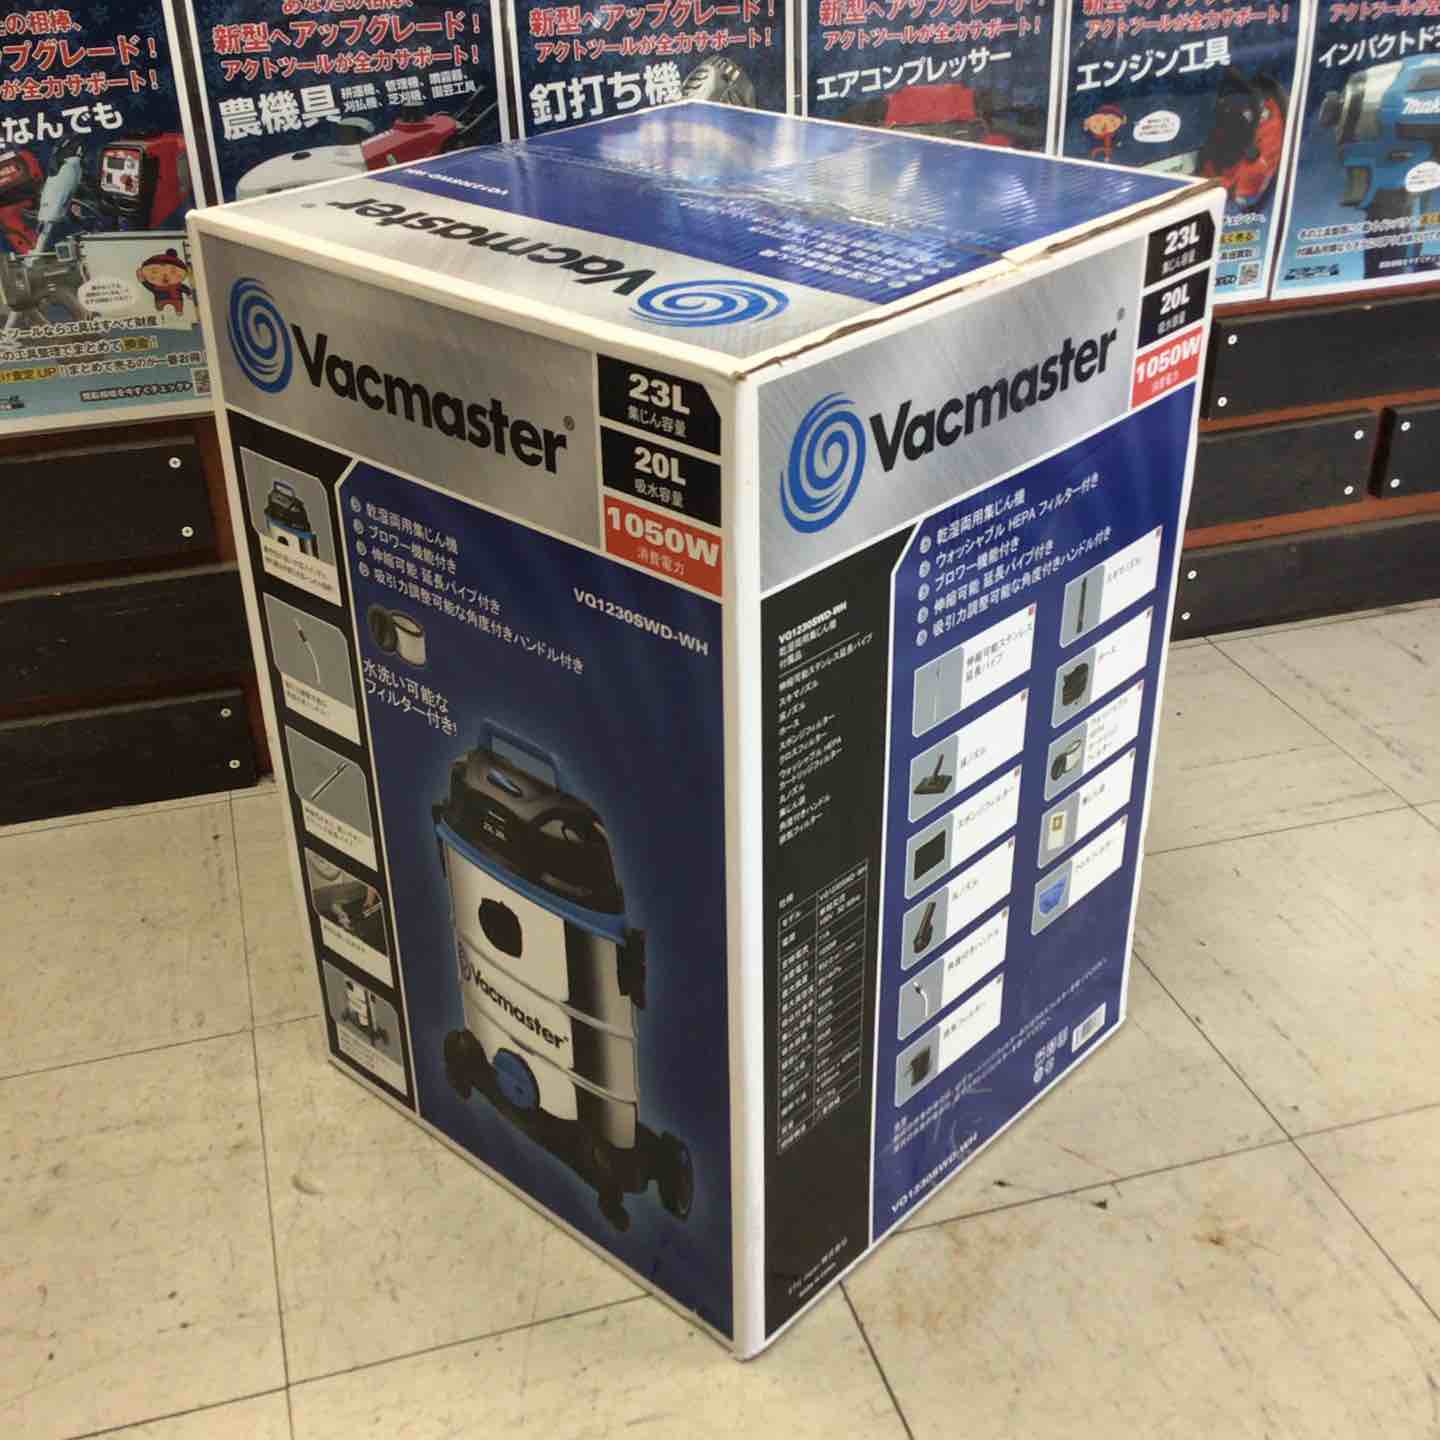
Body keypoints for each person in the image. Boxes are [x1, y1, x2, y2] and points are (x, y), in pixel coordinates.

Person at [135, 247, 193, 315]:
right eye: (154, 272)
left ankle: (178, 311)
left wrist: (189, 293)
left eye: (173, 271)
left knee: (178, 306)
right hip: (160, 299)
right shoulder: (156, 287)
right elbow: (148, 285)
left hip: (176, 299)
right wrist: (142, 279)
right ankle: (160, 309)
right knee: (159, 307)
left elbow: (184, 288)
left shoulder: (177, 285)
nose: (164, 276)